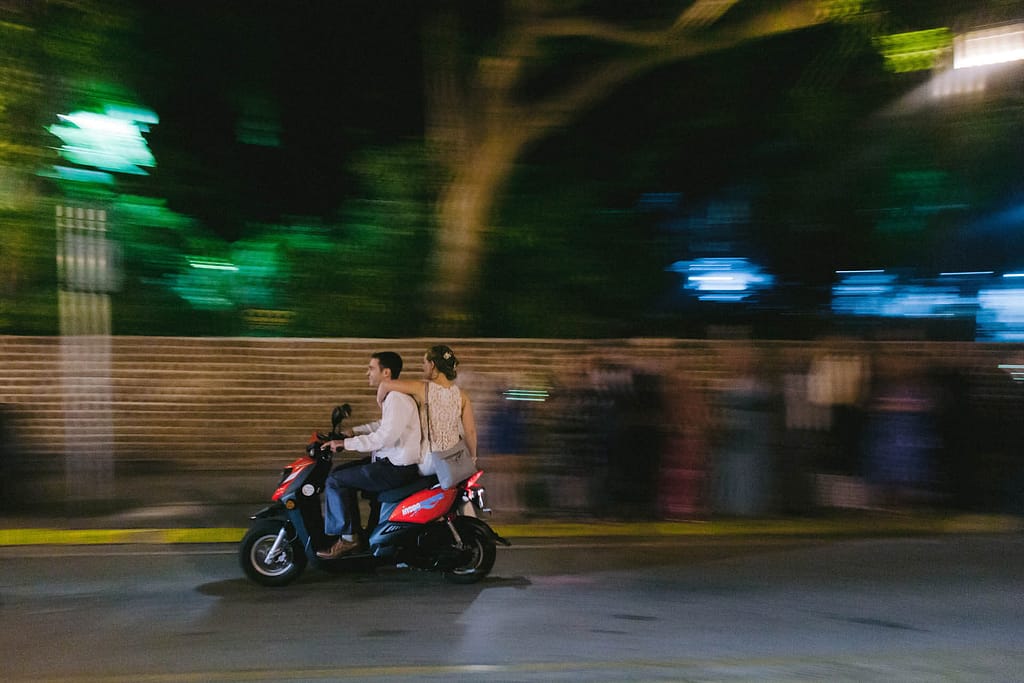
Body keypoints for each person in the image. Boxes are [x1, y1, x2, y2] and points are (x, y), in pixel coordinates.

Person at [316, 351, 422, 560]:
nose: (367, 373)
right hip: (389, 461)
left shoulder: (397, 398)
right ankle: (357, 533)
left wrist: (344, 443)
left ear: (386, 372)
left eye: (371, 368)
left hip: (396, 467)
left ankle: (348, 539)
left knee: (335, 481)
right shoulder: (394, 397)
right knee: (341, 473)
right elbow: (383, 425)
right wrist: (354, 431)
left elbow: (384, 437)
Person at [377, 344, 478, 469]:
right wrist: (473, 459)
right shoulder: (462, 396)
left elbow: (384, 385)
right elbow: (471, 432)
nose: (422, 366)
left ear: (432, 365)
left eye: (424, 362)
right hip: (453, 462)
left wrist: (381, 404)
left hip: (429, 462)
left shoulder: (422, 388)